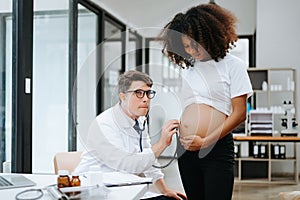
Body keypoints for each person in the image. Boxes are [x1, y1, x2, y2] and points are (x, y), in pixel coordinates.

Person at [160, 3, 253, 200]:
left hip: (215, 148)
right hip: (185, 149)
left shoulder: (232, 65)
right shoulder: (189, 69)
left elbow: (239, 113)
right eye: (186, 46)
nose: (192, 51)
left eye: (195, 44)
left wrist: (205, 141)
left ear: (210, 36)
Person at [75, 70, 187, 200]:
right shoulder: (104, 124)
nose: (146, 99)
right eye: (138, 93)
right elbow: (127, 164)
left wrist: (165, 190)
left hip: (124, 189)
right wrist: (161, 144)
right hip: (98, 190)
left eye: (148, 93)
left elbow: (148, 161)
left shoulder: (139, 121)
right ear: (123, 96)